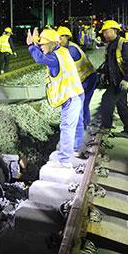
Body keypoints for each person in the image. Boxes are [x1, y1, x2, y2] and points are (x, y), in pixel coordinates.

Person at [27, 28, 84, 167]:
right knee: (72, 125)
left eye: (42, 44)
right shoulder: (62, 51)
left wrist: (31, 46)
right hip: (75, 94)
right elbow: (44, 53)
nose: (41, 47)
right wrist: (37, 44)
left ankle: (64, 160)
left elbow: (40, 58)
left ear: (52, 43)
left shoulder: (54, 57)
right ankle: (71, 151)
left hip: (70, 97)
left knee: (66, 127)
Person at [98, 20, 128, 139]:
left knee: (106, 100)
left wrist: (126, 79)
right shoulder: (110, 45)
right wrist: (104, 74)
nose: (104, 34)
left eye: (107, 32)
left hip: (121, 81)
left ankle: (106, 127)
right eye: (103, 32)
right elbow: (109, 63)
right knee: (122, 105)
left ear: (115, 31)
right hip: (115, 81)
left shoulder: (124, 45)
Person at [58, 26, 97, 133]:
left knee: (82, 103)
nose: (59, 39)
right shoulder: (66, 48)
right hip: (83, 79)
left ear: (67, 37)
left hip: (88, 78)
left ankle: (83, 128)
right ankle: (80, 125)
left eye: (61, 37)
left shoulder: (71, 50)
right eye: (57, 37)